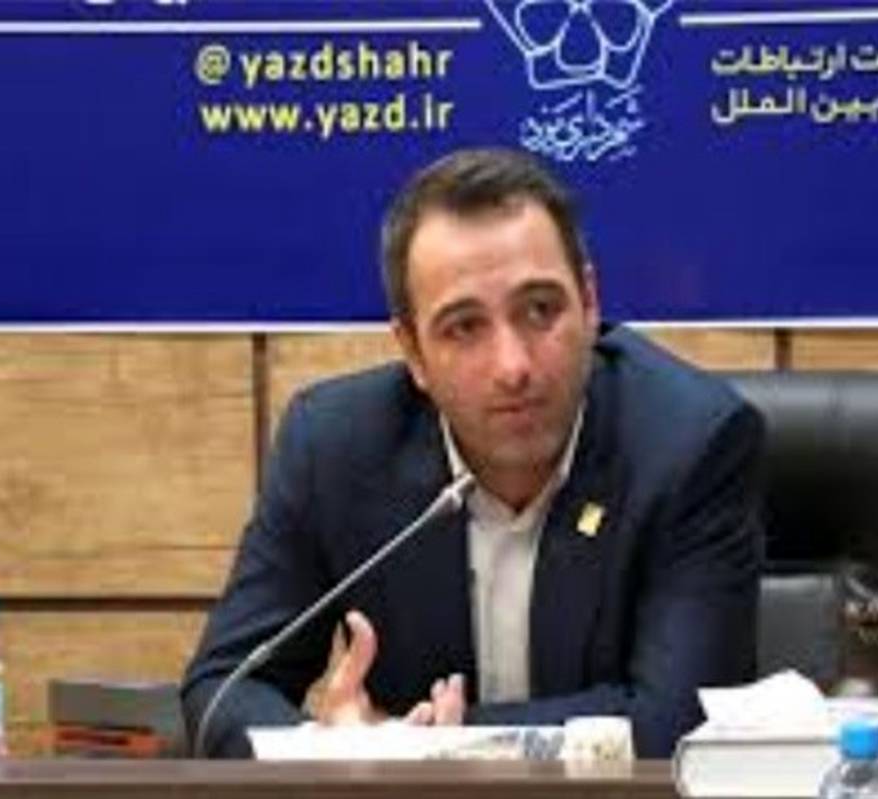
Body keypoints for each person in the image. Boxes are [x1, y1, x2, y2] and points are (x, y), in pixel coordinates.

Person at [181, 147, 765, 759]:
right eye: (464, 327)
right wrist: (327, 747)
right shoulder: (334, 448)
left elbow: (679, 724)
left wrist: (424, 745)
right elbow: (222, 690)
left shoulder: (690, 445)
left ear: (590, 303)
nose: (513, 367)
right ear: (413, 352)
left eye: (540, 310)